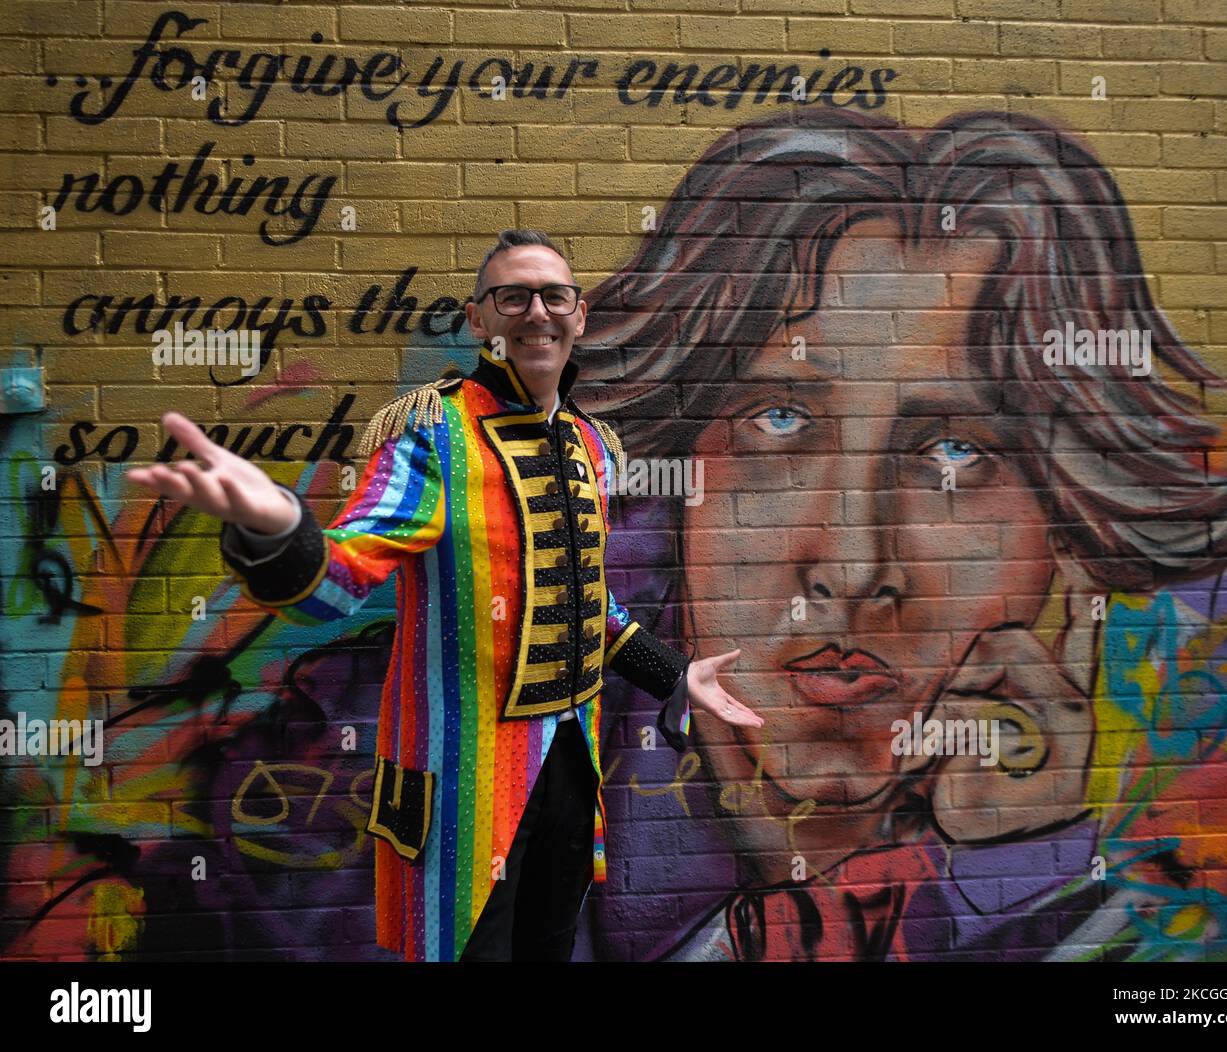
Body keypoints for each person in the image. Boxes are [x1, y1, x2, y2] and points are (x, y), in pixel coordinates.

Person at [572, 108, 1227, 960]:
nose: (855, 564)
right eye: (780, 419)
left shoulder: (1192, 831)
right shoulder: (544, 745)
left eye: (954, 450)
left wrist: (1012, 868)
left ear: (1072, 530)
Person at [126, 229, 763, 961]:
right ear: (479, 319)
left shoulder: (590, 442)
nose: (536, 313)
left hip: (568, 777)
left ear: (578, 316)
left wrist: (672, 673)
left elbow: (589, 603)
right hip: (462, 790)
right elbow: (336, 585)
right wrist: (279, 531)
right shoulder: (433, 434)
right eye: (512, 297)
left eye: (554, 296)